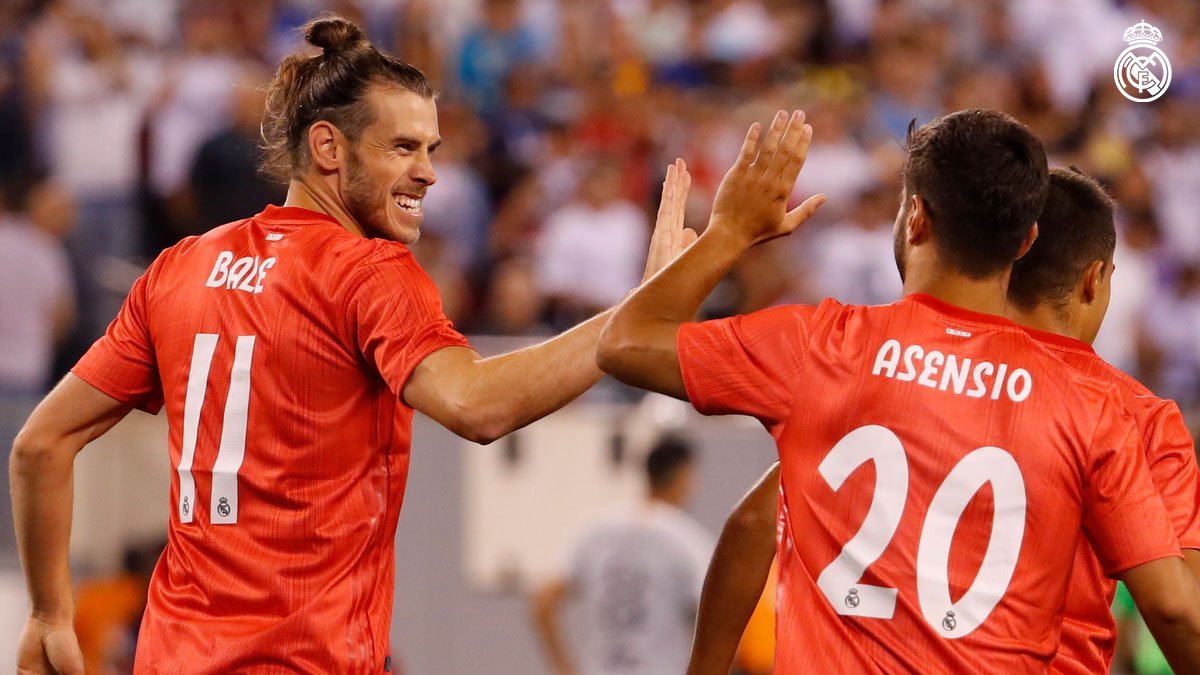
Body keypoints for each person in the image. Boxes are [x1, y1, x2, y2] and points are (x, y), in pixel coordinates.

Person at [10, 17, 695, 674]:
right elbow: (478, 404)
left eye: (431, 149)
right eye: (403, 148)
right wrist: (635, 314)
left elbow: (41, 445)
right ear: (330, 149)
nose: (427, 172)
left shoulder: (180, 266)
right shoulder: (364, 272)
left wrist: (49, 613)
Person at [596, 108, 1200, 672]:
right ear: (1023, 246)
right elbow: (1177, 609)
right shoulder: (1104, 409)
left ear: (916, 218)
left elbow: (749, 518)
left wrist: (728, 231)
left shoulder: (829, 349)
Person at [530, 435, 713, 675]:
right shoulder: (689, 541)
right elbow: (718, 622)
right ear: (683, 477)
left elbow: (543, 602)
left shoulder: (598, 529)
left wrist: (563, 668)